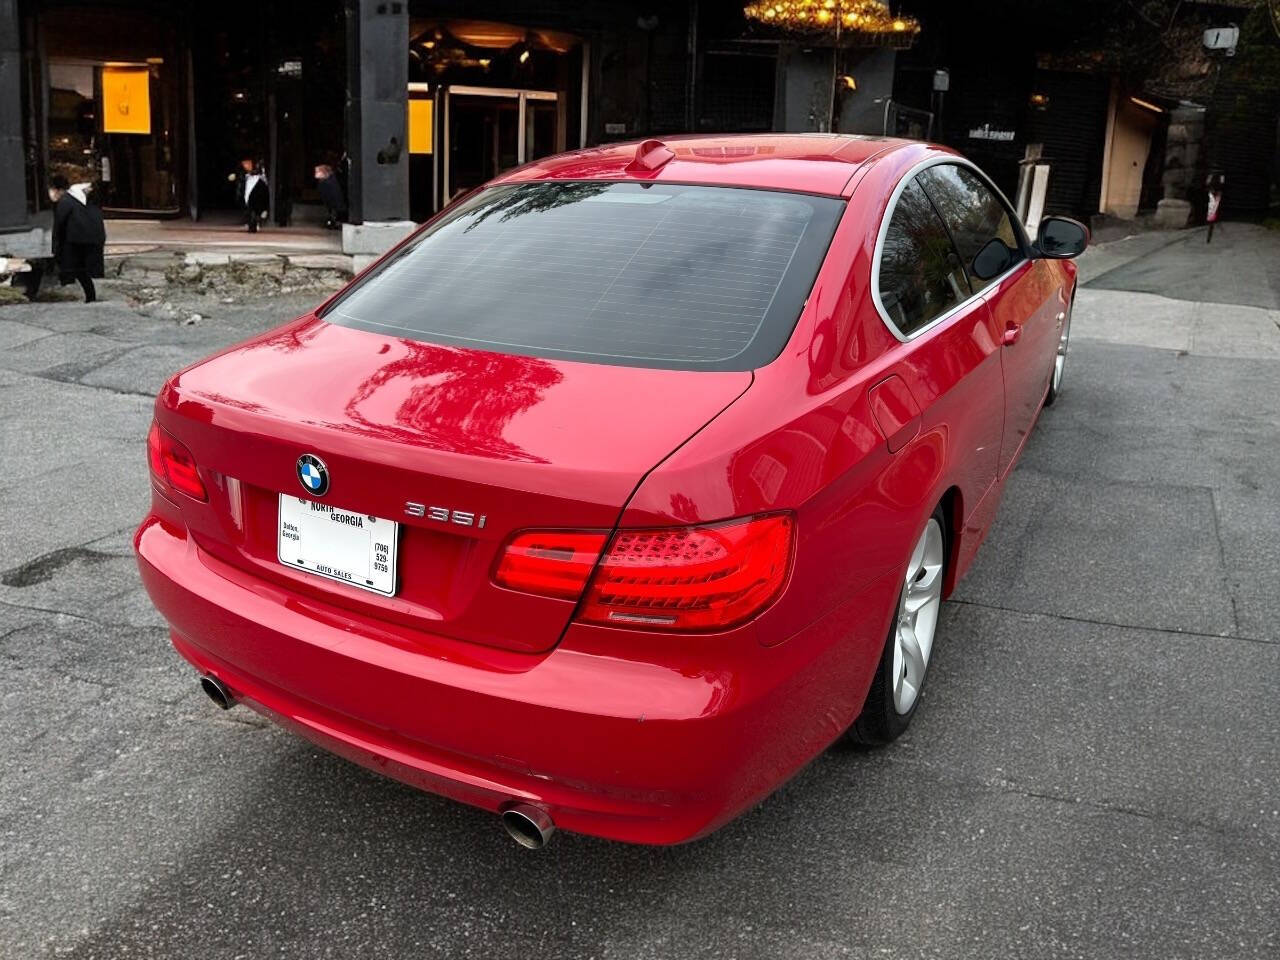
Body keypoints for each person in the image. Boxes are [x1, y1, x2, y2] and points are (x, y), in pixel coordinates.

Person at [48, 174, 106, 303]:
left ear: (58, 190)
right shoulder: (85, 200)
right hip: (90, 239)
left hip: (75, 240)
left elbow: (59, 225)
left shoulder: (65, 201)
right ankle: (90, 296)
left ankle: (86, 295)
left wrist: (55, 246)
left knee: (75, 268)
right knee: (81, 269)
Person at [231, 158, 270, 232]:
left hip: (256, 187)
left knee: (254, 207)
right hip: (250, 187)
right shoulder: (246, 172)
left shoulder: (260, 176)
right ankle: (252, 223)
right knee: (250, 207)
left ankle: (255, 222)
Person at [314, 164, 347, 229]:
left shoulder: (329, 183)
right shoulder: (324, 182)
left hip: (335, 204)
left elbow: (335, 195)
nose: (316, 173)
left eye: (318, 172)